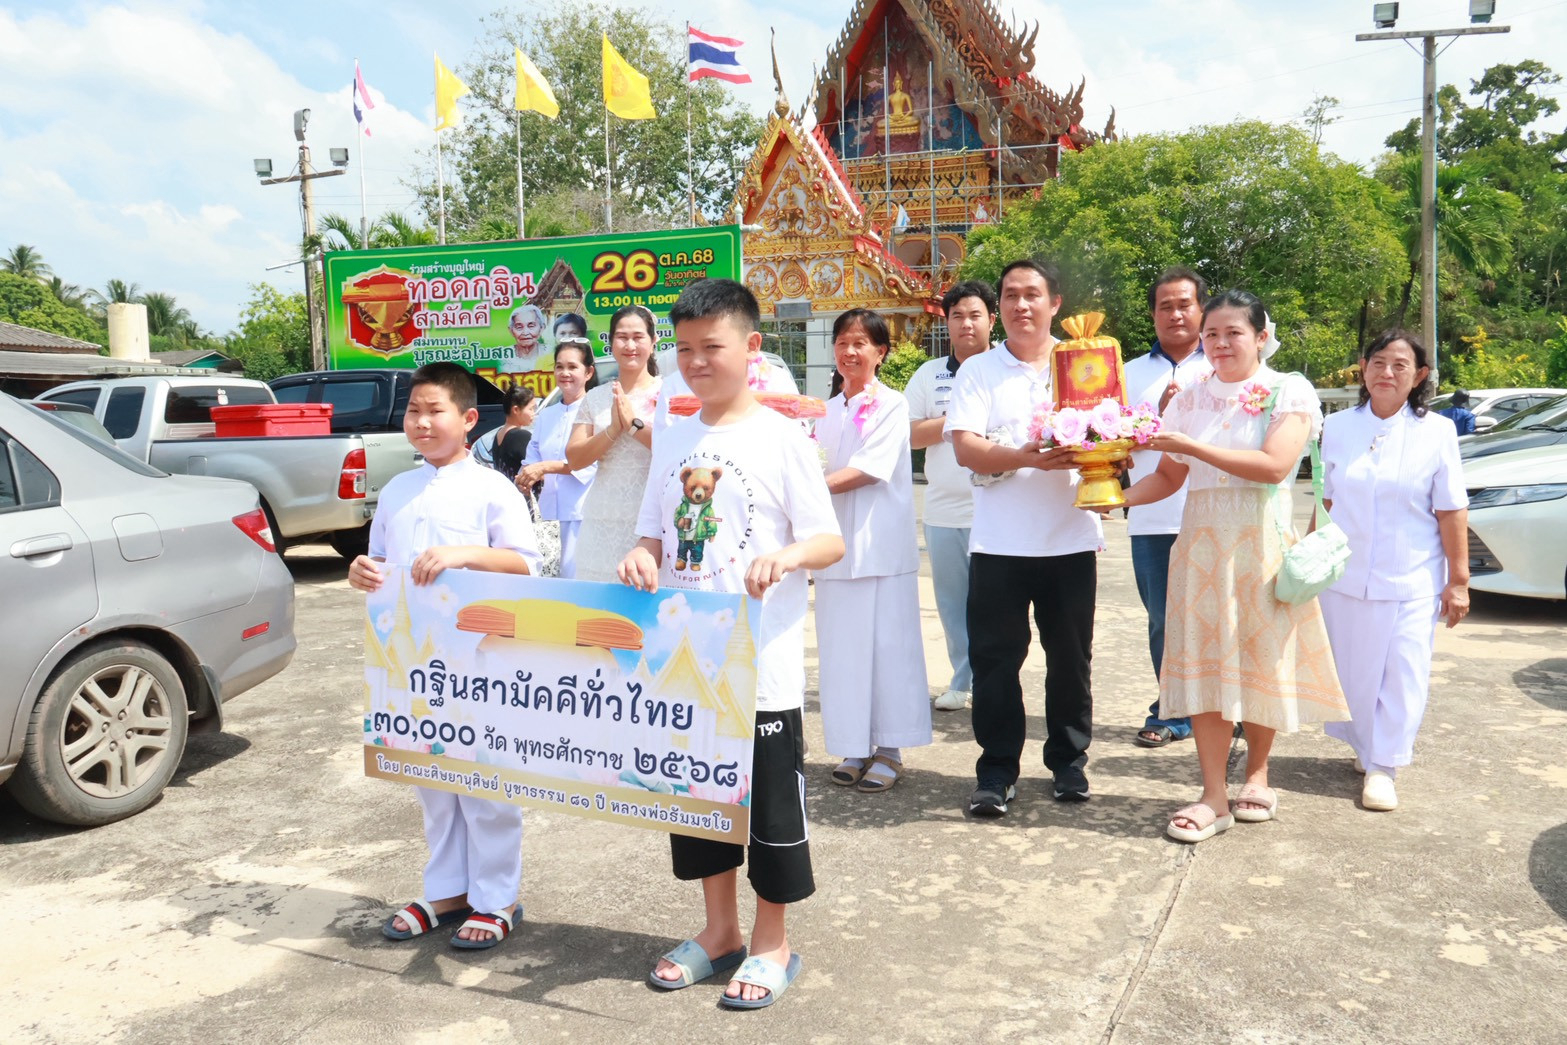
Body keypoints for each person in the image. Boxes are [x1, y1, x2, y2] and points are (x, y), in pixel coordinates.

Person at [621, 278, 844, 1009]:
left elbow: (827, 538)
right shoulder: (674, 433)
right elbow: (654, 526)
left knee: (770, 809)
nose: (694, 362)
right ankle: (718, 932)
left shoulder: (782, 438)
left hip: (763, 666)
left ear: (751, 346)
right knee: (699, 804)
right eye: (682, 349)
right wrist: (644, 555)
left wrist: (786, 558)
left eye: (710, 347)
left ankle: (770, 940)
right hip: (689, 659)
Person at [1118, 289, 1349, 844]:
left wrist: (1192, 448)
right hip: (1199, 549)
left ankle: (1260, 775)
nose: (1220, 344)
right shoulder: (1188, 398)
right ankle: (1212, 794)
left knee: (1259, 660)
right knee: (1205, 667)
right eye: (1212, 334)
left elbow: (1273, 467)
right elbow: (1169, 478)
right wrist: (1113, 498)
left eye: (1234, 334)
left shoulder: (1286, 389)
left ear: (1261, 337)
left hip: (1259, 546)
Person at [348, 362, 540, 948]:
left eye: (436, 411)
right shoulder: (400, 490)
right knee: (431, 776)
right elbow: (379, 560)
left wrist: (462, 554)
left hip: (481, 659)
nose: (423, 422)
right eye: (414, 411)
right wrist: (360, 569)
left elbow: (525, 563)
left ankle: (496, 898)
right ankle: (447, 891)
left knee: (485, 780)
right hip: (412, 660)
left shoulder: (491, 487)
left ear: (468, 419)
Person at [946, 259, 1104, 817]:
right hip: (998, 545)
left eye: (1032, 294)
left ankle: (1068, 763)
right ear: (1000, 308)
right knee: (994, 663)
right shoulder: (979, 372)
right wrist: (1024, 457)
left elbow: (1114, 432)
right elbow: (965, 446)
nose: (1021, 305)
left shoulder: (1086, 362)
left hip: (1070, 539)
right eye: (1010, 295)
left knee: (1070, 661)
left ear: (1054, 303)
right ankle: (996, 770)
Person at [1319, 330, 1470, 812]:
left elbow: (1451, 508)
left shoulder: (1438, 432)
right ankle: (1368, 748)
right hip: (1345, 574)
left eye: (1400, 365)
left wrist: (1459, 580)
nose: (1387, 373)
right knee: (1357, 675)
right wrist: (1308, 556)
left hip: (1412, 577)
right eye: (1379, 362)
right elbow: (1326, 498)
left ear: (1419, 376)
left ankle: (1385, 766)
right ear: (1363, 368)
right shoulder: (1338, 427)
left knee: (1404, 674)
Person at [813, 309, 932, 793]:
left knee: (889, 651)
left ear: (881, 352)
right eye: (843, 342)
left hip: (881, 547)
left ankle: (890, 749)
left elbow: (869, 469)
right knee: (842, 653)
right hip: (834, 550)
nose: (850, 351)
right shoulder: (823, 411)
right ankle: (853, 745)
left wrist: (806, 491)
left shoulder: (892, 405)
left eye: (861, 343)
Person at [1124, 267, 1213, 747]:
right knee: (1164, 617)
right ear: (1153, 314)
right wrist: (1155, 414)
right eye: (1165, 306)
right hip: (1153, 516)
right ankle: (1172, 709)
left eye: (1184, 304)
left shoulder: (1224, 363)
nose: (1175, 314)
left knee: (1219, 616)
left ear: (1202, 309)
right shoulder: (1129, 372)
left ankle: (1222, 706)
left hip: (1216, 514)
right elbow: (1112, 444)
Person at [906, 280, 997, 712]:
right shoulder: (930, 374)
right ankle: (962, 678)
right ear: (946, 322)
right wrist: (955, 422)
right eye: (957, 315)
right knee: (952, 603)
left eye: (975, 314)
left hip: (999, 509)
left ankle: (996, 679)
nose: (966, 323)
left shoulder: (1005, 371)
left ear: (991, 320)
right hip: (943, 510)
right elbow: (908, 434)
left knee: (996, 604)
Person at [566, 305, 662, 582]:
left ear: (653, 342)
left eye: (638, 337)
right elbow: (575, 458)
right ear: (610, 342)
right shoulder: (595, 397)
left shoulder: (668, 394)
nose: (629, 345)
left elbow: (677, 451)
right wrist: (612, 430)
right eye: (621, 337)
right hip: (602, 516)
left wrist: (633, 425)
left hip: (649, 522)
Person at [518, 339, 598, 579]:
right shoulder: (547, 414)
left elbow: (590, 463)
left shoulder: (597, 409)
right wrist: (524, 478)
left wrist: (545, 467)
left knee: (578, 580)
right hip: (548, 515)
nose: (565, 373)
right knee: (549, 582)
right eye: (559, 367)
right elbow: (531, 458)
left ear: (588, 372)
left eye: (573, 367)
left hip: (582, 512)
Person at [489, 387, 538, 483]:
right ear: (516, 410)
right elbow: (536, 470)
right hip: (522, 495)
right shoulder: (521, 436)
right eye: (531, 409)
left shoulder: (499, 434)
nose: (533, 413)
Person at [505, 304, 549, 372]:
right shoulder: (503, 357)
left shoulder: (552, 353)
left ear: (541, 328)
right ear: (511, 331)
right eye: (519, 327)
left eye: (531, 326)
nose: (525, 333)